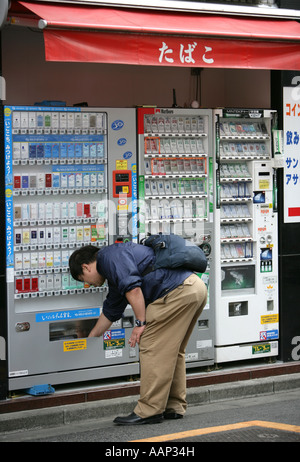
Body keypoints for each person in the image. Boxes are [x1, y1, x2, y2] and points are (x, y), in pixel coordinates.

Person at [69, 241, 207, 425]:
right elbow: (110, 312)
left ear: (85, 267)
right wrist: (89, 340)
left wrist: (140, 323)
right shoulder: (115, 268)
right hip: (194, 288)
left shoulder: (108, 257)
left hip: (176, 293)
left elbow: (133, 289)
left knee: (151, 347)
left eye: (84, 279)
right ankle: (173, 406)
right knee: (174, 351)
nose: (88, 284)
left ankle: (150, 410)